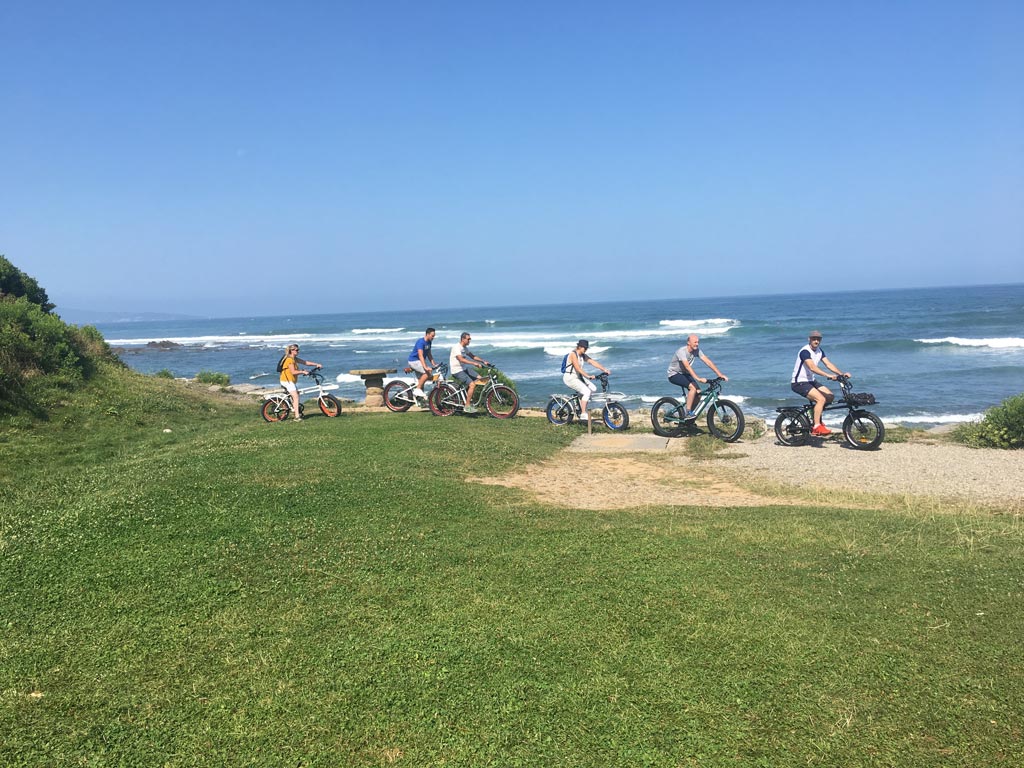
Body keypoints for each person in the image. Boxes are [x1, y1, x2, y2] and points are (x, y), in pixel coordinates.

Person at [791, 330, 850, 436]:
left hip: (811, 381)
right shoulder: (805, 351)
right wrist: (828, 375)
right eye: (814, 339)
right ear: (809, 339)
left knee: (830, 396)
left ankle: (815, 414)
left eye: (818, 339)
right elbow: (812, 368)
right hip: (799, 382)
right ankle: (817, 426)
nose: (816, 341)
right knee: (821, 399)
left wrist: (841, 374)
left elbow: (828, 364)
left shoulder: (819, 351)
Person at [667, 334, 728, 419]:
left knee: (698, 393)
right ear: (688, 342)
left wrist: (719, 374)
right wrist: (698, 378)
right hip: (674, 374)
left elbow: (707, 361)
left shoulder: (697, 351)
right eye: (695, 342)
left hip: (685, 374)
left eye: (698, 342)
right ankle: (688, 412)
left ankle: (688, 417)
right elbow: (687, 366)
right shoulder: (681, 351)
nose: (697, 344)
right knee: (692, 388)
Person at [561, 339, 610, 422]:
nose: (586, 349)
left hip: (578, 377)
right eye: (585, 348)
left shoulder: (582, 355)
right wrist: (588, 376)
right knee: (587, 392)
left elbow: (592, 362)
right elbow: (578, 368)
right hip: (570, 378)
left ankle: (580, 405)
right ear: (579, 347)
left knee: (593, 388)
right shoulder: (573, 354)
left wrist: (604, 369)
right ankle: (583, 413)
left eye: (587, 348)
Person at [449, 332, 491, 414]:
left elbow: (473, 356)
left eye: (470, 339)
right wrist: (474, 363)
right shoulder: (456, 347)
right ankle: (467, 406)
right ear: (463, 339)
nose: (469, 341)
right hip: (457, 370)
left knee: (480, 379)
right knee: (472, 384)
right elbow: (461, 359)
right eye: (468, 339)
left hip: (464, 369)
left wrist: (483, 361)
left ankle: (467, 398)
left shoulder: (464, 348)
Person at [278, 344, 320, 422]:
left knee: (296, 394)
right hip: (287, 381)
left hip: (290, 381)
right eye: (296, 350)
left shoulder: (294, 359)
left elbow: (305, 362)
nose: (298, 351)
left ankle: (295, 409)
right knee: (296, 397)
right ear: (291, 351)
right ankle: (297, 417)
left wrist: (316, 364)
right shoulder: (289, 360)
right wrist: (303, 372)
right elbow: (293, 372)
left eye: (298, 350)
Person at [408, 327, 438, 402]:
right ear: (427, 334)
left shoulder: (429, 342)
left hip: (419, 361)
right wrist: (425, 367)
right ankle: (417, 389)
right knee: (427, 372)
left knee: (422, 381)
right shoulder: (421, 342)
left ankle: (420, 400)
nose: (433, 337)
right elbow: (420, 355)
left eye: (434, 336)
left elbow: (429, 354)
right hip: (414, 361)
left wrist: (434, 364)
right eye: (432, 336)